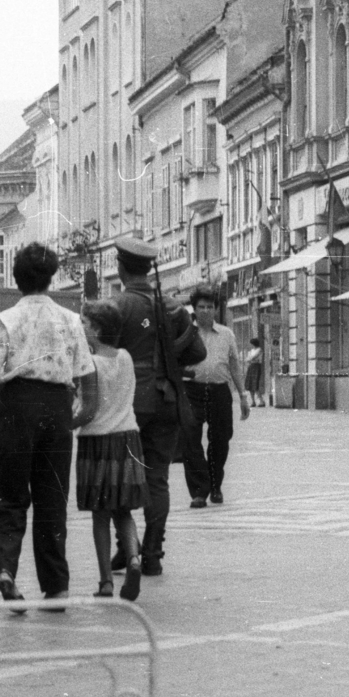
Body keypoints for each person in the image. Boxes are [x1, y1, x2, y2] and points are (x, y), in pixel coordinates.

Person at [0, 242, 98, 603]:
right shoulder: (70, 319)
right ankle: (56, 585)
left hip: (15, 406)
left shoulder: (5, 319)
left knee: (10, 493)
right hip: (57, 406)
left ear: (17, 280)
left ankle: (7, 569)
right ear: (52, 276)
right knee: (52, 498)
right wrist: (77, 415)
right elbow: (87, 376)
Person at [104, 237, 207, 578]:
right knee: (157, 479)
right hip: (166, 400)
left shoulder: (116, 307)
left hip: (127, 403)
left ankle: (127, 547)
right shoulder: (172, 307)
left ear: (120, 267)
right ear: (148, 269)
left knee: (120, 478)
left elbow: (103, 357)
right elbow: (198, 353)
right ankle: (153, 552)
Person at [76, 300, 147, 602]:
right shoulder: (126, 358)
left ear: (96, 329)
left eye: (84, 323)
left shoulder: (90, 364)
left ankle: (106, 580)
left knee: (100, 516)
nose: (81, 327)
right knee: (125, 512)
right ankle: (133, 558)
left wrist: (65, 422)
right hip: (128, 439)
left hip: (97, 442)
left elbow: (88, 411)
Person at [182, 285, 249, 508]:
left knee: (221, 439)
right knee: (190, 439)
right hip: (192, 390)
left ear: (216, 309)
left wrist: (243, 395)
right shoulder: (186, 334)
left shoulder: (227, 334)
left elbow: (235, 366)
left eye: (210, 307)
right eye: (201, 307)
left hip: (220, 390)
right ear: (194, 309)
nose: (206, 311)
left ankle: (215, 484)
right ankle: (199, 491)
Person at [243, 337, 266, 407]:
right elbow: (247, 359)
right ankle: (253, 401)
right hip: (251, 366)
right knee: (250, 385)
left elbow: (252, 357)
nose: (250, 345)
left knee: (255, 385)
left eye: (251, 344)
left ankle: (261, 401)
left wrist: (249, 359)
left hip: (256, 366)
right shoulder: (252, 350)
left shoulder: (259, 350)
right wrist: (249, 359)